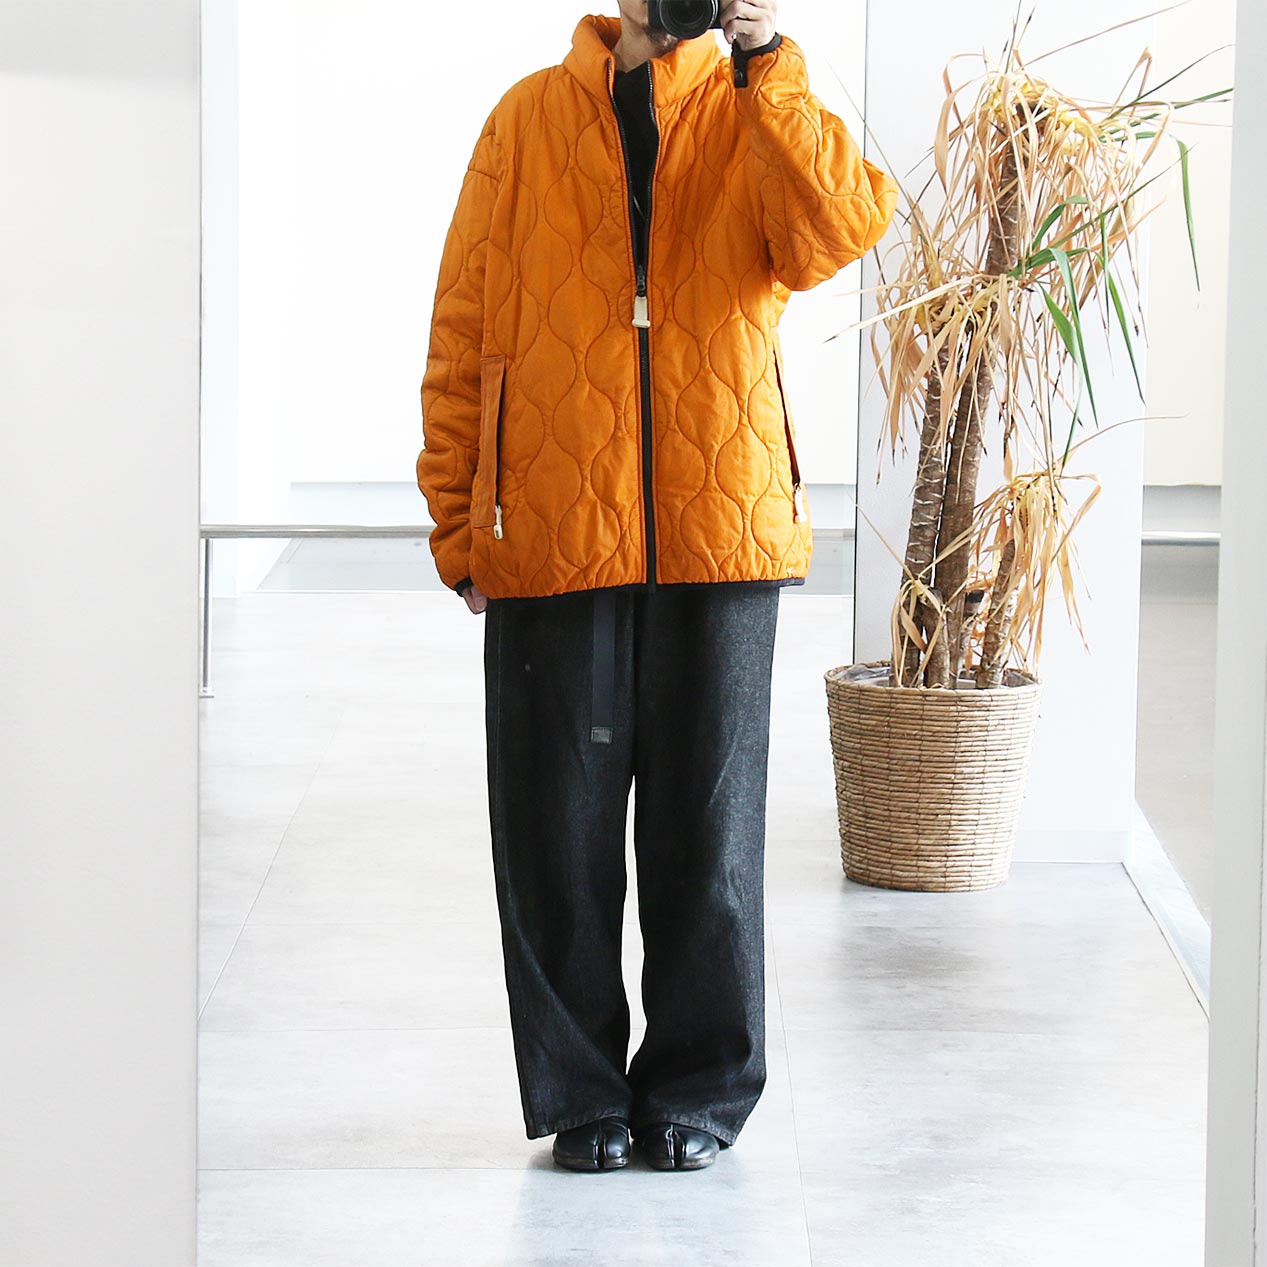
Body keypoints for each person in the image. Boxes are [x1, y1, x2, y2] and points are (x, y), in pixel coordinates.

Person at [416, 0, 897, 1172]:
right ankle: (579, 1090)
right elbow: (462, 326)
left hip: (720, 519)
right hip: (549, 513)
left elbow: (836, 231)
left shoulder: (753, 108)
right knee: (554, 830)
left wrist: (765, 61)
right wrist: (458, 519)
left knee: (710, 829)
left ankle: (698, 1088)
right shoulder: (524, 120)